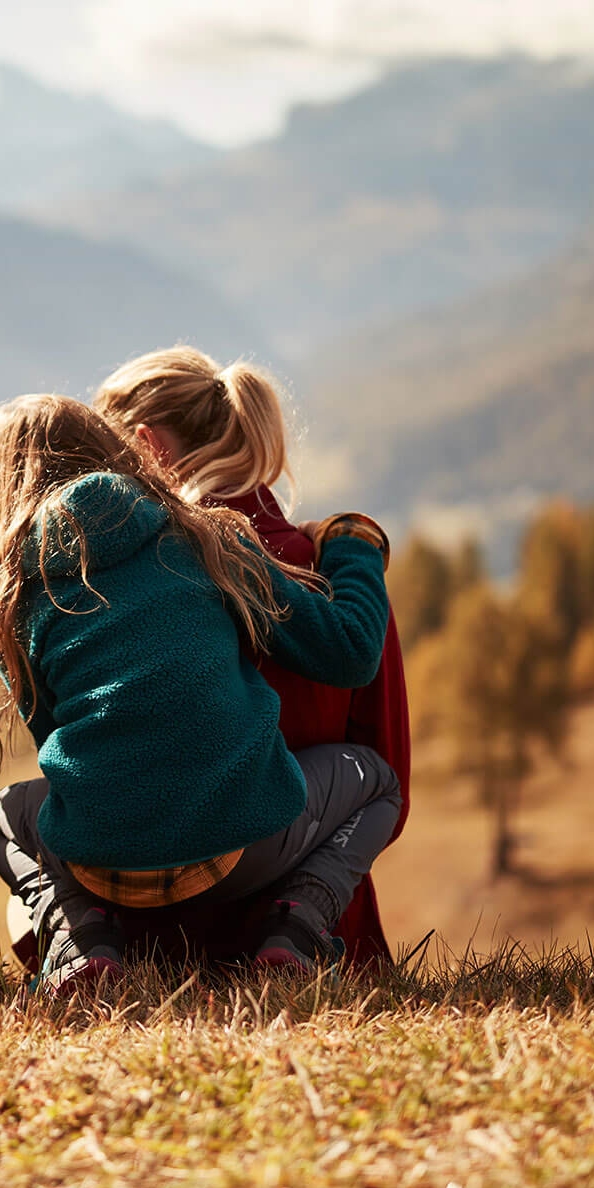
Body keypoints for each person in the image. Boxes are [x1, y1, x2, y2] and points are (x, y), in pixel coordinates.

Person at [0, 394, 398, 991]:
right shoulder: (203, 537)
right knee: (376, 777)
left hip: (100, 867)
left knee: (5, 815)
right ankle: (298, 925)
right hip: (243, 851)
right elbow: (349, 651)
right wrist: (354, 544)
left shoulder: (7, 593)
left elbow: (55, 746)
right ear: (117, 450)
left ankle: (77, 941)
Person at [94, 345, 411, 966]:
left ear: (146, 446)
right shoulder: (336, 576)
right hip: (317, 942)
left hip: (146, 938)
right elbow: (389, 770)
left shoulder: (124, 579)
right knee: (378, 779)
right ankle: (298, 922)